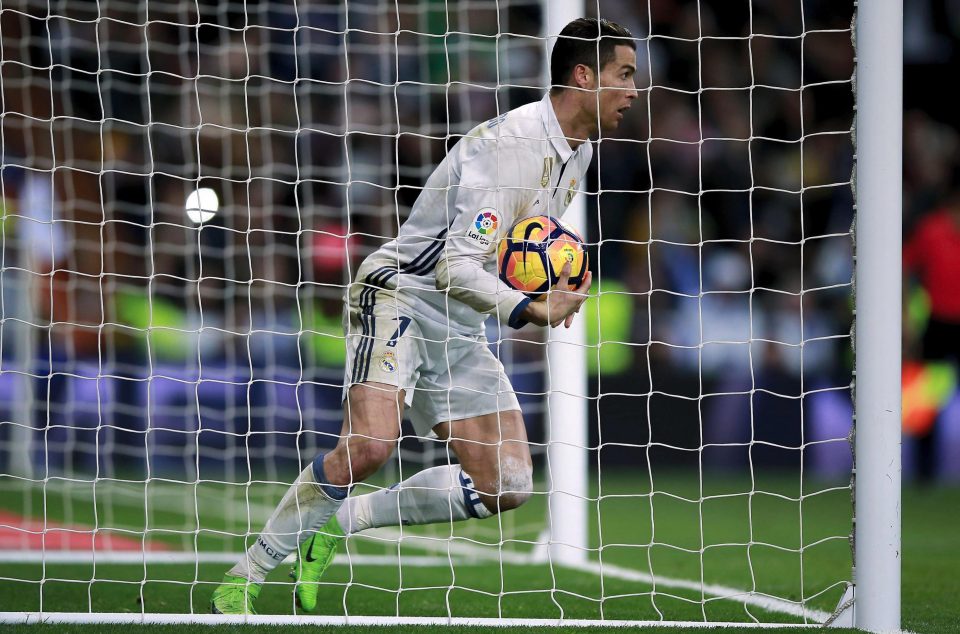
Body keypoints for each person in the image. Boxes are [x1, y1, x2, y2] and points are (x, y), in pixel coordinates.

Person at [211, 17, 638, 614]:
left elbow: (519, 243)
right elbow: (451, 267)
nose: (633, 91)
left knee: (508, 484)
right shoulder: (509, 147)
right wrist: (529, 308)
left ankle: (341, 523)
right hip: (403, 294)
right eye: (624, 75)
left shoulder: (580, 153)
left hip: (459, 322)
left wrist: (557, 275)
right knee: (369, 447)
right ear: (584, 75)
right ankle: (244, 577)